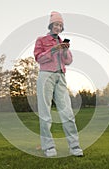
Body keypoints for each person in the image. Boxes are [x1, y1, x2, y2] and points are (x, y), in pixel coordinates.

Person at [33, 11, 83, 157]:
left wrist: (65, 50)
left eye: (60, 25)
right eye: (56, 24)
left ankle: (74, 146)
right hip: (46, 75)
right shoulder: (41, 40)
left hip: (61, 76)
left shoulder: (62, 41)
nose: (58, 27)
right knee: (45, 113)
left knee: (67, 112)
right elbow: (39, 58)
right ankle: (48, 147)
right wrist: (54, 49)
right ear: (51, 25)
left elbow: (68, 61)